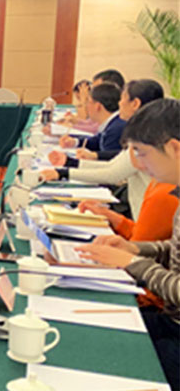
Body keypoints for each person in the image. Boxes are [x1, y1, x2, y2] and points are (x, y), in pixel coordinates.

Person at [77, 99, 180, 390]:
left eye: (143, 153)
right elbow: (174, 248)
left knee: (106, 356)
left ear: (174, 148)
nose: (140, 164)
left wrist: (133, 263)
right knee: (93, 328)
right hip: (170, 320)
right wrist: (136, 248)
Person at [42, 79, 165, 217]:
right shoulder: (145, 133)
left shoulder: (146, 139)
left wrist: (63, 173)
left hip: (150, 215)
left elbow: (111, 174)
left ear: (135, 103)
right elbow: (112, 165)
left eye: (123, 98)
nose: (119, 103)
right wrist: (70, 163)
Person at [56, 82, 125, 164]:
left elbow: (108, 164)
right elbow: (97, 141)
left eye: (88, 102)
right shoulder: (112, 123)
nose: (86, 106)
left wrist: (71, 162)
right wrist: (75, 142)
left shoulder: (115, 129)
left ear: (97, 106)